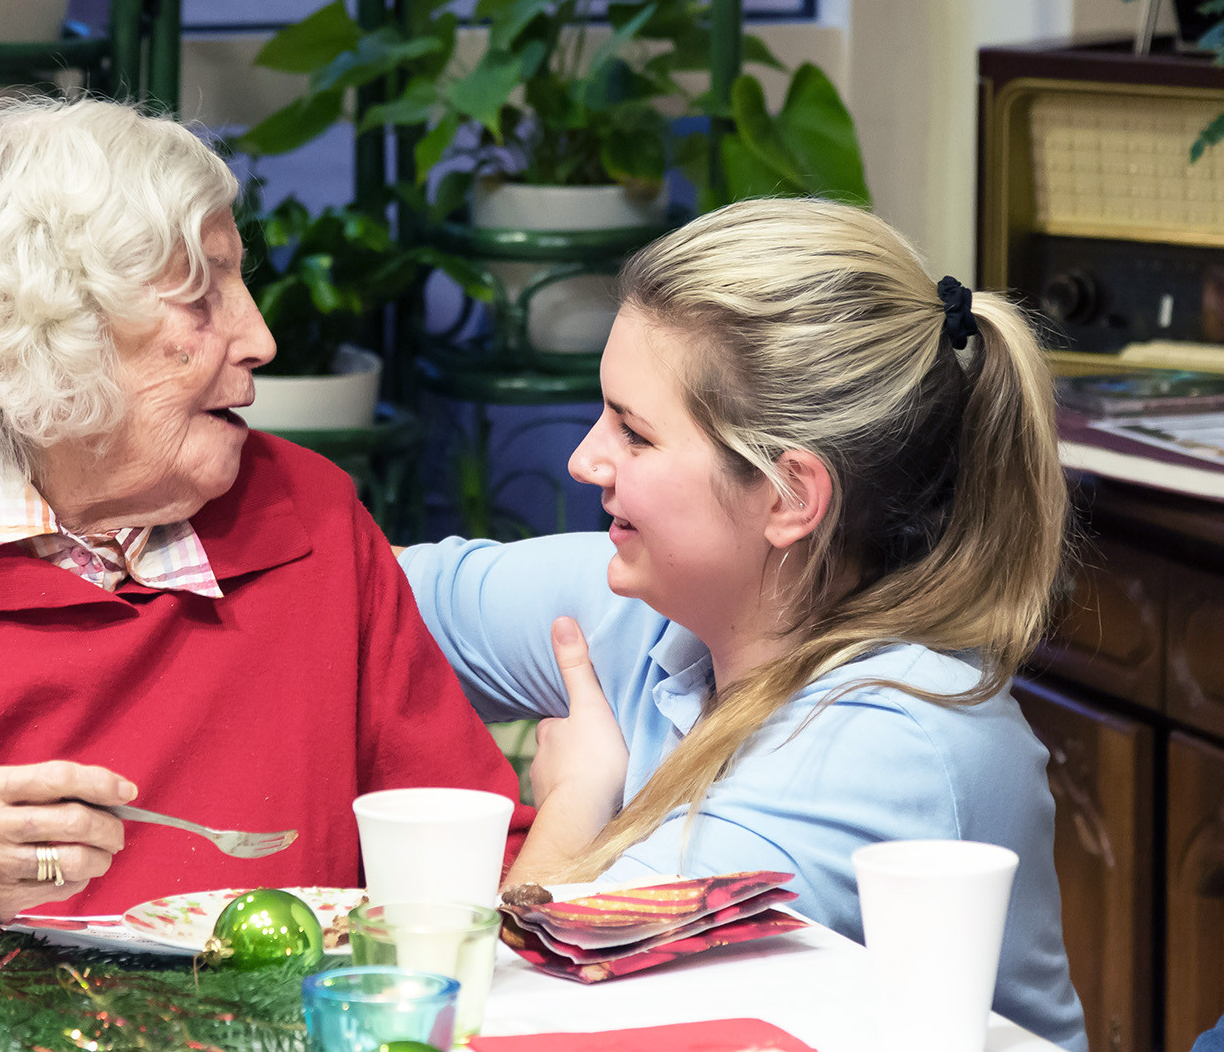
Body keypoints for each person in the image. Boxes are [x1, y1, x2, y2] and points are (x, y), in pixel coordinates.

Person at [0, 97, 529, 921]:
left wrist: (580, 807)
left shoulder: (310, 518)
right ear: (42, 325)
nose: (259, 339)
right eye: (201, 294)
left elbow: (468, 858)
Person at [400, 199, 1087, 1052]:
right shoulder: (666, 605)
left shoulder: (890, 738)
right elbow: (362, 602)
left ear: (790, 496)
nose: (586, 460)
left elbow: (538, 1008)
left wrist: (574, 800)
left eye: (634, 433)